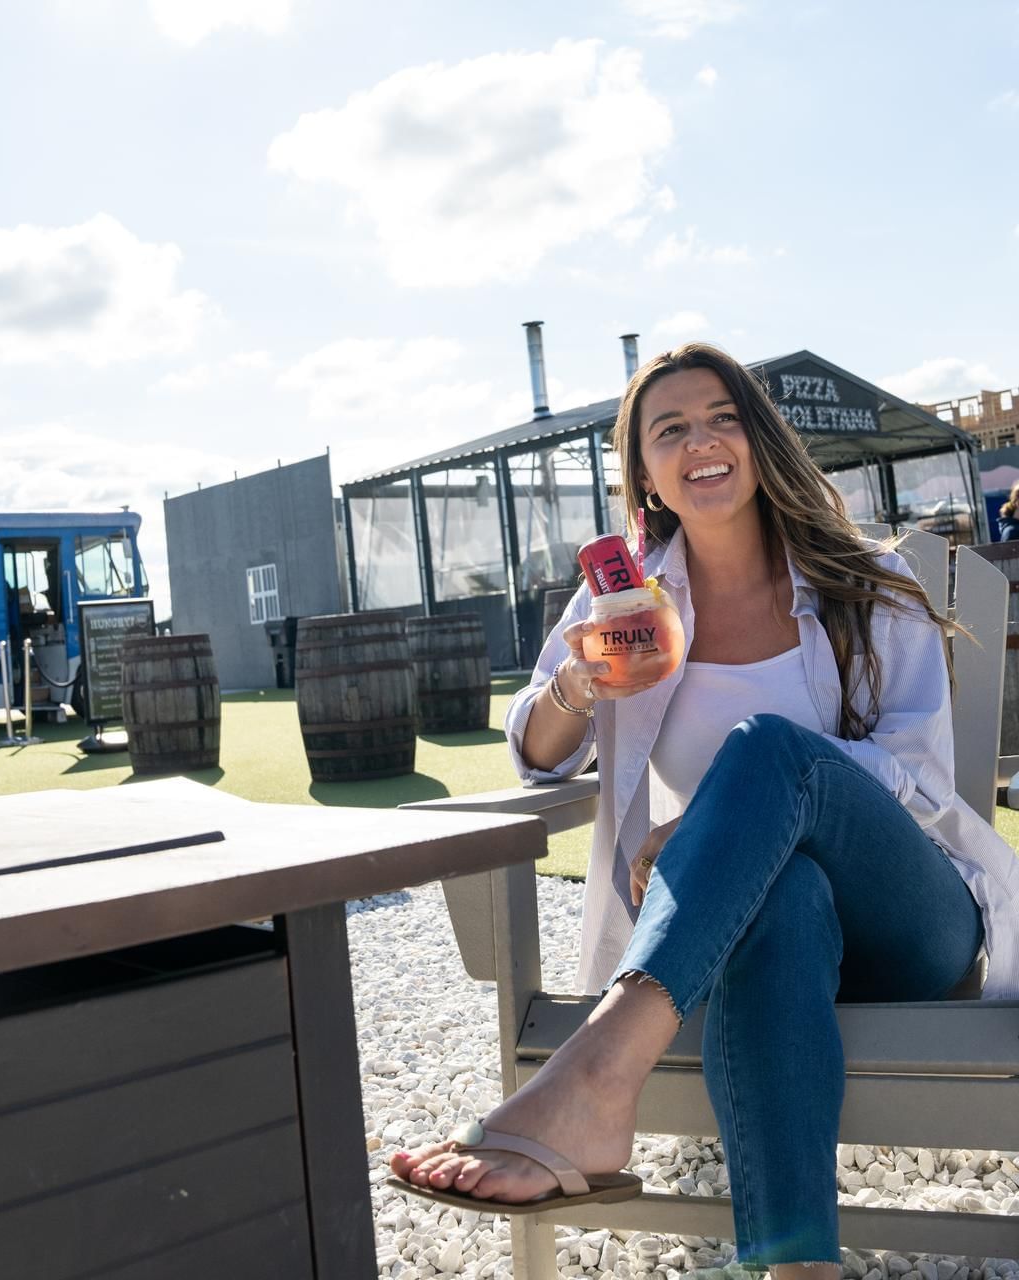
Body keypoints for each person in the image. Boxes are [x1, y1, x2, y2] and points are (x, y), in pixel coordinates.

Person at [389, 343, 1019, 1275]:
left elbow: (922, 779)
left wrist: (745, 804)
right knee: (787, 897)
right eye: (670, 429)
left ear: (759, 440)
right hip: (746, 926)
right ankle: (798, 1262)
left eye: (723, 417)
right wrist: (578, 680)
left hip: (915, 927)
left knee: (766, 752)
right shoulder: (626, 603)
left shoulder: (869, 583)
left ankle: (599, 1075)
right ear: (643, 470)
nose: (702, 442)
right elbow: (533, 754)